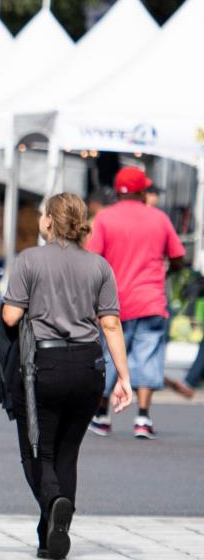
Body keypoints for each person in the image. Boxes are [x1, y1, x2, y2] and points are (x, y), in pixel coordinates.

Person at [1, 193, 133, 560]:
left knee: (37, 450)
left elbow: (11, 317)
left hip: (44, 364)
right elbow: (110, 323)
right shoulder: (99, 266)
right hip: (90, 367)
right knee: (68, 452)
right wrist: (124, 377)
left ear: (47, 221)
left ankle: (54, 501)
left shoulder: (29, 261)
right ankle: (50, 536)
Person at [86, 167, 184, 440]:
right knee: (148, 357)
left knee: (107, 357)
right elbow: (178, 256)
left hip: (112, 302)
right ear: (143, 191)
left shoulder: (104, 218)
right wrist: (167, 270)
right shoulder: (160, 219)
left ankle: (102, 416)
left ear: (117, 191)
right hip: (150, 300)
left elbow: (93, 259)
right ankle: (142, 417)